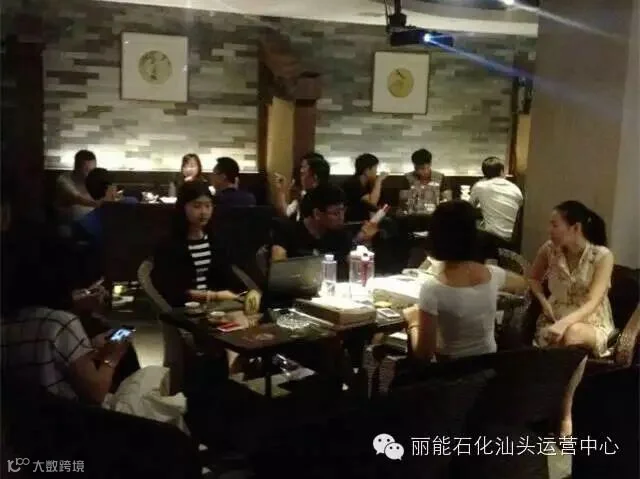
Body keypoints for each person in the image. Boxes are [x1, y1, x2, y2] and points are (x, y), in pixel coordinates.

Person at [528, 200, 614, 437]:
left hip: (591, 322)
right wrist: (544, 302)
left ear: (575, 228)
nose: (550, 230)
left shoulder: (601, 256)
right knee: (557, 338)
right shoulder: (549, 249)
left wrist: (564, 324)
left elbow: (593, 301)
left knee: (571, 333)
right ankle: (546, 408)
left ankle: (565, 413)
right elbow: (533, 278)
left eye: (555, 225)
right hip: (553, 318)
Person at [407, 201, 526, 361]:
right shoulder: (492, 275)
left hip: (450, 371)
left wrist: (413, 322)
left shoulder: (433, 289)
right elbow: (522, 282)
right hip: (488, 367)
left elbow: (424, 353)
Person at [152, 181, 242, 307]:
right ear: (183, 207)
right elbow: (170, 289)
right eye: (197, 206)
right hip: (184, 308)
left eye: (208, 206)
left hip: (217, 308)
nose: (204, 212)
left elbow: (227, 277)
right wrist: (213, 296)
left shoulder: (215, 241)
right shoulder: (169, 244)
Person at [271, 185, 378, 275]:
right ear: (317, 214)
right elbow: (278, 269)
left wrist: (365, 242)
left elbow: (357, 270)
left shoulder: (341, 234)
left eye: (343, 211)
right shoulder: (287, 230)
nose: (342, 217)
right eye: (336, 213)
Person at [75, 167, 138, 245]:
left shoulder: (82, 224)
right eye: (114, 185)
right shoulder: (128, 206)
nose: (116, 188)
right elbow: (133, 200)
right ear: (109, 188)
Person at [470, 156, 523, 243]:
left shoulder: (480, 186)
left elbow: (468, 208)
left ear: (484, 173)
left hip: (492, 238)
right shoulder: (515, 188)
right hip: (513, 238)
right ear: (502, 171)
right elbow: (519, 208)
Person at [274, 152, 330, 220]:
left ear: (315, 177)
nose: (301, 170)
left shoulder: (329, 197)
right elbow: (285, 213)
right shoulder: (303, 194)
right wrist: (281, 190)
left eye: (304, 168)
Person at [55, 150, 99, 236]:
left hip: (91, 224)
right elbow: (77, 199)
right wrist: (102, 204)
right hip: (70, 225)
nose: (90, 174)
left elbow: (112, 195)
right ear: (76, 167)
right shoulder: (64, 180)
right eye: (86, 170)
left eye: (93, 170)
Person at [342, 153, 387, 222]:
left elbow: (379, 207)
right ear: (367, 170)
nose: (376, 171)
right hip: (352, 223)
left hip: (366, 221)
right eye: (375, 168)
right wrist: (379, 180)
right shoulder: (352, 184)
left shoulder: (369, 184)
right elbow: (372, 204)